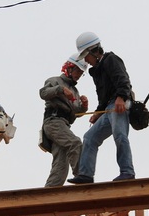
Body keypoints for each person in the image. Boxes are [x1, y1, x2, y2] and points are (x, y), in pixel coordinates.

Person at [67, 32, 135, 184]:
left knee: (120, 134)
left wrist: (121, 97)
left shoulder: (111, 59)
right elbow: (104, 98)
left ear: (94, 51)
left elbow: (123, 80)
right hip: (110, 107)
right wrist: (98, 113)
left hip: (120, 104)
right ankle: (86, 175)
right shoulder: (97, 71)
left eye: (86, 56)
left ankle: (127, 172)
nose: (86, 60)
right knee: (90, 137)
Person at [40, 53, 89, 187]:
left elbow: (76, 112)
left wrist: (84, 107)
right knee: (75, 143)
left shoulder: (75, 91)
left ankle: (48, 197)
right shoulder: (54, 80)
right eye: (77, 70)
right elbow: (43, 93)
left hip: (63, 125)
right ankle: (82, 177)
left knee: (60, 166)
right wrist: (60, 89)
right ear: (69, 68)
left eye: (81, 72)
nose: (79, 74)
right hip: (53, 122)